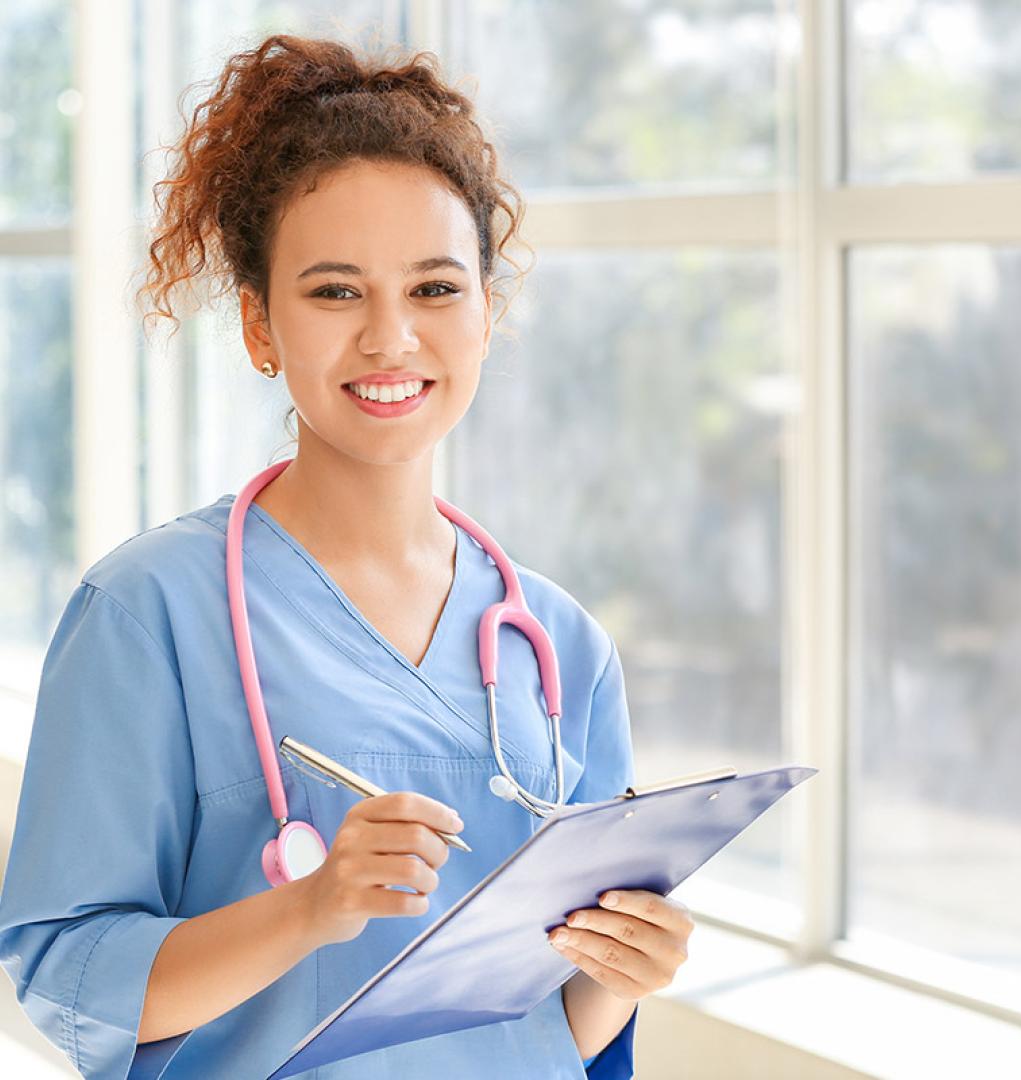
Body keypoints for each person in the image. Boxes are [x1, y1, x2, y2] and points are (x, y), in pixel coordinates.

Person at [0, 34, 691, 1078]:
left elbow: (544, 1038)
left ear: (487, 316)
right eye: (334, 292)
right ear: (259, 326)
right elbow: (65, 982)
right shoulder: (150, 613)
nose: (390, 339)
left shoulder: (559, 645)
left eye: (434, 290)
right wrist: (310, 910)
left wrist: (622, 971)